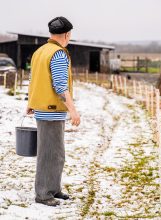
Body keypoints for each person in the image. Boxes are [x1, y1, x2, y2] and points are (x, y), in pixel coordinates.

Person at [26, 16, 80, 206]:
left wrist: (30, 102)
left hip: (44, 110)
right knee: (50, 153)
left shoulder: (40, 51)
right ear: (66, 34)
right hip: (51, 111)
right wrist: (73, 110)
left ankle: (53, 188)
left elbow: (34, 79)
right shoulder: (58, 54)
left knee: (55, 153)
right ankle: (43, 194)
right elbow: (59, 85)